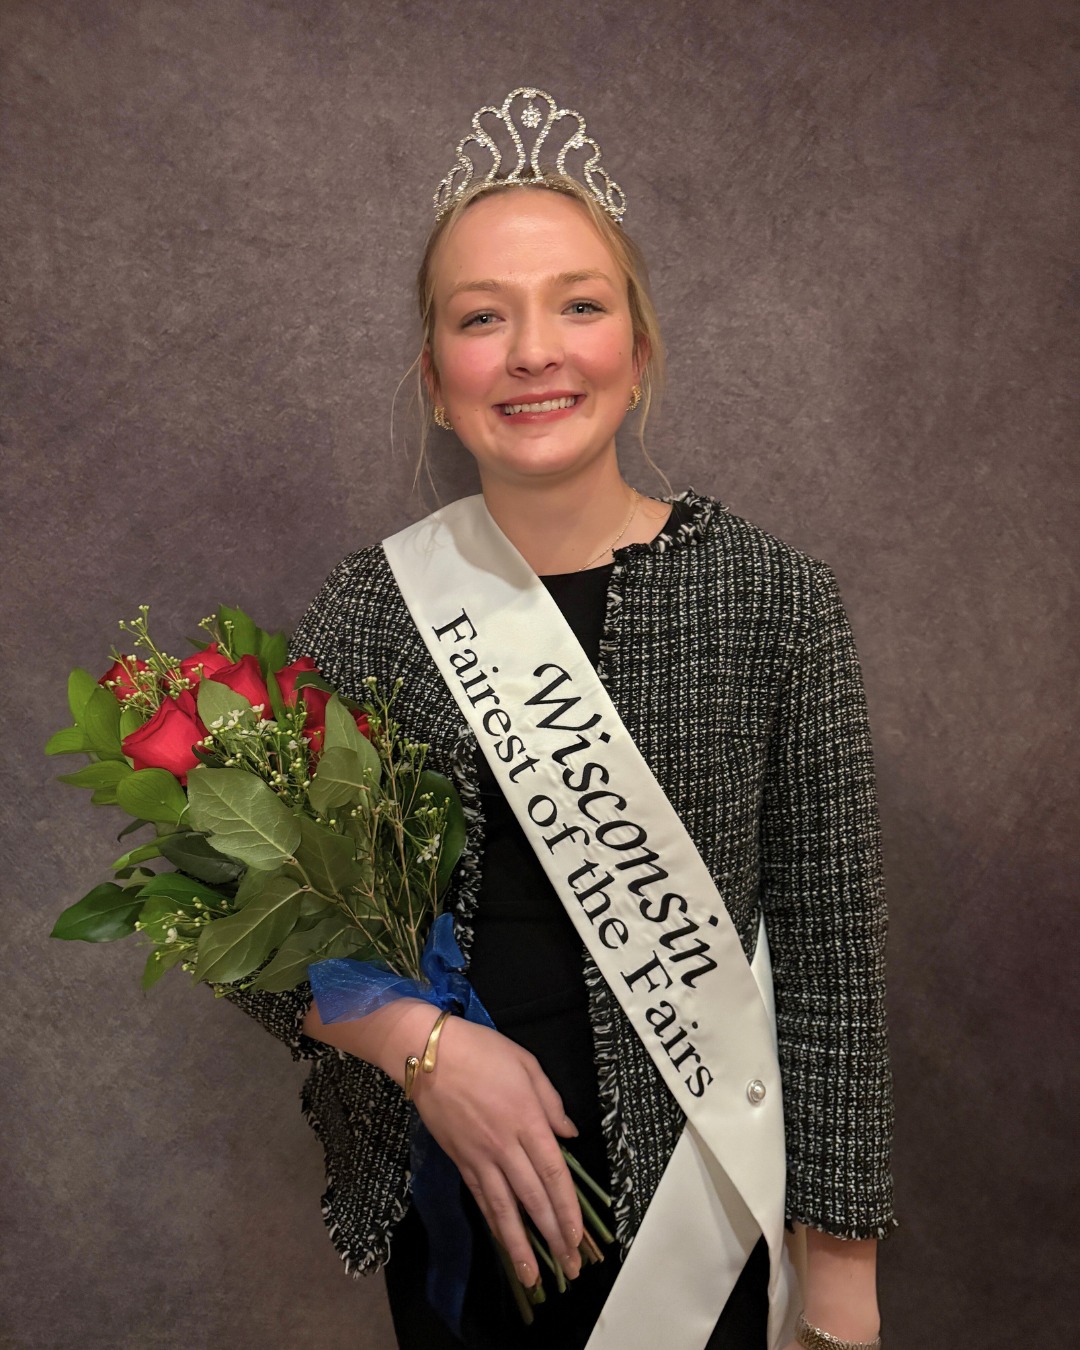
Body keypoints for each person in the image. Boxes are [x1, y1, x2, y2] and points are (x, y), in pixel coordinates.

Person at [226, 88, 895, 1350]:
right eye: (484, 319)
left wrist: (844, 1269)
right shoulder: (372, 611)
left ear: (640, 349)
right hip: (462, 1220)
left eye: (580, 305)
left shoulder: (775, 602)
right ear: (436, 380)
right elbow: (252, 929)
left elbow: (832, 961)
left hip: (714, 1218)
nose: (535, 350)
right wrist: (423, 1048)